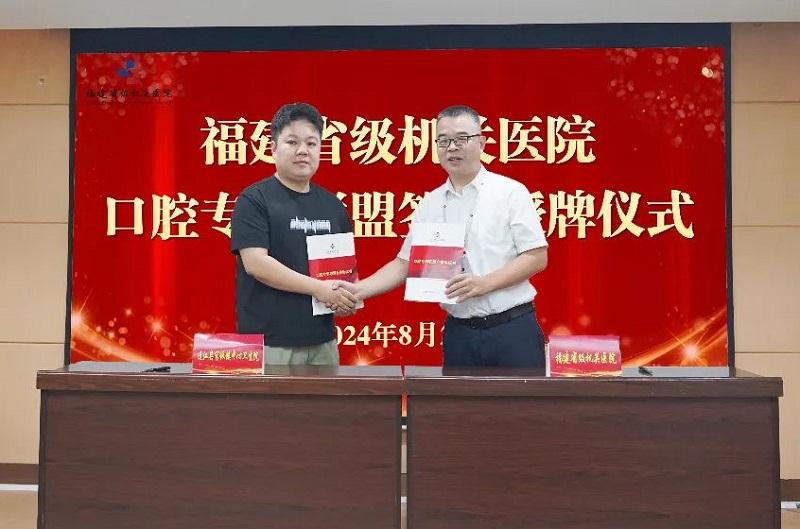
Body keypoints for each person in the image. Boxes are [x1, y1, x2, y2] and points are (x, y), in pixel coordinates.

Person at [339, 105, 548, 367]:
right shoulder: (431, 203)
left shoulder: (510, 192)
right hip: (460, 333)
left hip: (512, 329)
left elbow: (536, 256)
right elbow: (405, 264)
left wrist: (484, 283)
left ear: (481, 143)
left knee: (523, 397)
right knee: (455, 397)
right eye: (444, 140)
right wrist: (356, 291)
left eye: (461, 139)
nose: (452, 147)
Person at [231, 102, 356, 366]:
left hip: (323, 343)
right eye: (292, 142)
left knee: (328, 396)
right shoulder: (254, 200)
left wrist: (344, 300)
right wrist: (319, 289)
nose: (303, 151)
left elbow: (342, 273)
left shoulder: (333, 206)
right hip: (270, 344)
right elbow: (256, 264)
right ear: (273, 148)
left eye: (311, 143)